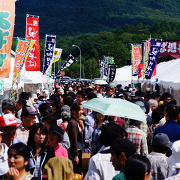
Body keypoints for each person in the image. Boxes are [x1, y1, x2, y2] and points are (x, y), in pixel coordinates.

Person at [67, 103, 84, 170]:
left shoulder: (77, 122)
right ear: (73, 111)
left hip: (79, 149)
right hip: (75, 150)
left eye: (82, 110)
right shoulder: (73, 123)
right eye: (80, 110)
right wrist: (75, 155)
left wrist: (82, 127)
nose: (81, 112)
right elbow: (74, 139)